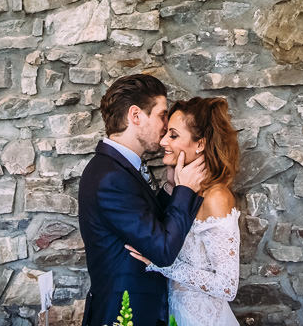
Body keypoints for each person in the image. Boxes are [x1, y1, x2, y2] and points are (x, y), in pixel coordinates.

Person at [78, 74, 208, 326]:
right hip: (125, 314)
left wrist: (171, 187)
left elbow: (146, 223)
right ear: (135, 116)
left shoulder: (119, 168)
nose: (166, 124)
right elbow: (162, 250)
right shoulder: (110, 177)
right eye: (161, 115)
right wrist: (185, 190)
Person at [125, 97, 241, 326]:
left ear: (200, 144)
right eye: (166, 132)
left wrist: (161, 263)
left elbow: (227, 287)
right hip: (175, 315)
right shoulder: (183, 191)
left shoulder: (216, 197)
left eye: (174, 135)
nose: (163, 141)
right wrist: (172, 187)